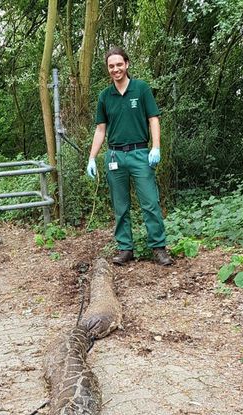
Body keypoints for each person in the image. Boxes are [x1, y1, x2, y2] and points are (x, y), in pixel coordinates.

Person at [86, 46, 173, 266]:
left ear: (127, 64)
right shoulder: (105, 96)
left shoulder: (141, 89)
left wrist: (156, 147)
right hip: (115, 156)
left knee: (150, 202)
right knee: (120, 206)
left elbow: (154, 118)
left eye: (119, 64)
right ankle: (125, 249)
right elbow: (100, 129)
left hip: (140, 154)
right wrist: (92, 157)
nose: (116, 69)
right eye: (111, 66)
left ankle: (159, 248)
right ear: (108, 69)